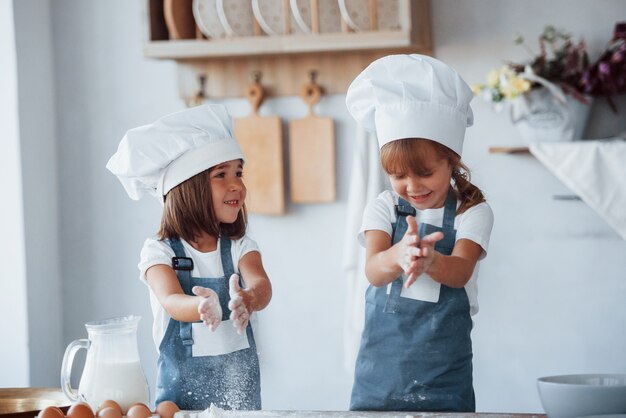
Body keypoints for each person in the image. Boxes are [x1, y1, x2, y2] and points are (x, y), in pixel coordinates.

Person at [345, 54, 494, 412]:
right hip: (379, 372)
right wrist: (399, 255)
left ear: (451, 161)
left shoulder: (471, 212)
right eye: (398, 175)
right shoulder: (383, 207)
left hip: (444, 374)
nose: (412, 186)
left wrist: (429, 260)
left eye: (425, 172)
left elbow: (459, 272)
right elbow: (374, 270)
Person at [106, 104, 272, 411]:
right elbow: (170, 299)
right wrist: (199, 305)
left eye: (238, 172)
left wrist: (248, 299)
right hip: (181, 404)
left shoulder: (239, 245)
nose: (237, 183)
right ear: (187, 189)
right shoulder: (160, 252)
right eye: (220, 174)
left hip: (242, 401)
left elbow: (261, 283)